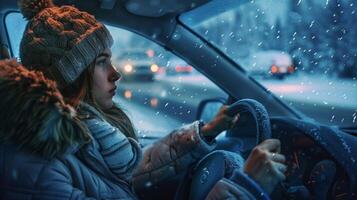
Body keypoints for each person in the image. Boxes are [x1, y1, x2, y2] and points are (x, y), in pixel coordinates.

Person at [0, 0, 287, 199]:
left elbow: (132, 172)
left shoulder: (84, 131)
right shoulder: (35, 164)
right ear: (72, 76)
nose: (115, 74)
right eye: (101, 62)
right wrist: (247, 188)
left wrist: (202, 134)